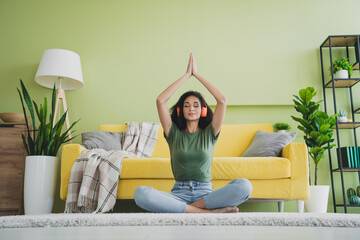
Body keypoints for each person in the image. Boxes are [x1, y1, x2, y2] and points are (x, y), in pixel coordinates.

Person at [134, 53, 252, 213]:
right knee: (141, 193)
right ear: (180, 110)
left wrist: (196, 75)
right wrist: (186, 76)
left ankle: (185, 210)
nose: (191, 108)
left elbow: (222, 100)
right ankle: (206, 213)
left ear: (203, 110)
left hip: (206, 195)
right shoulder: (173, 133)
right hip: (178, 195)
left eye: (196, 105)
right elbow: (161, 100)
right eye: (186, 105)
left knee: (245, 186)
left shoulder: (210, 132)